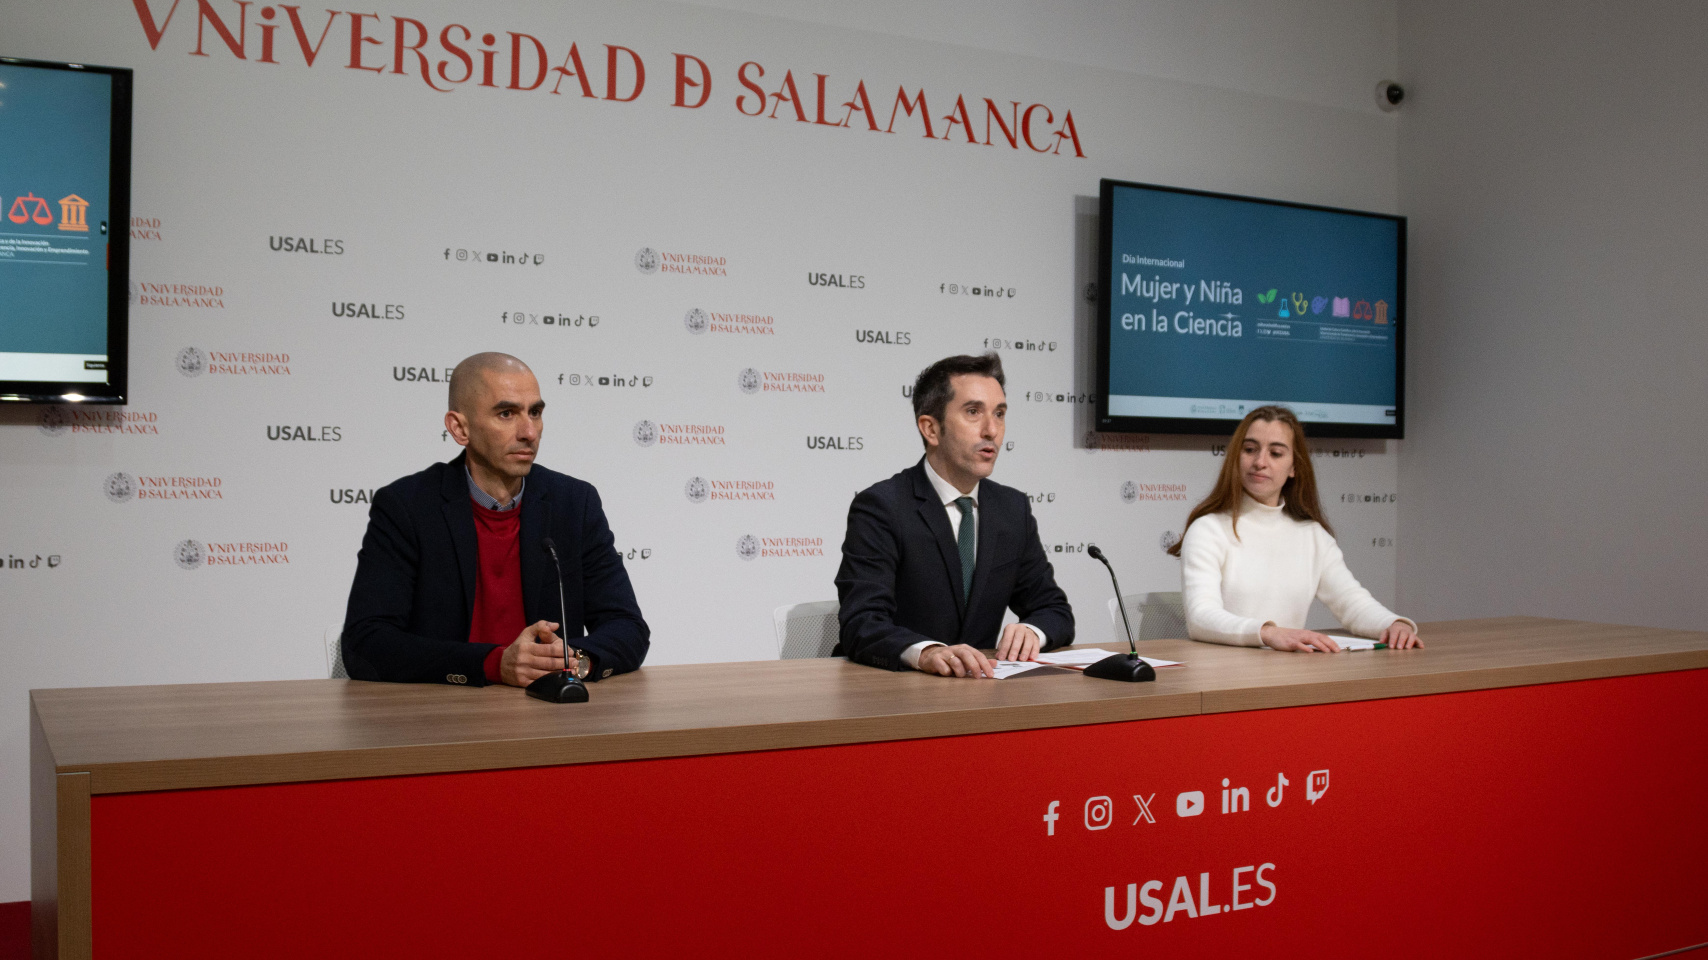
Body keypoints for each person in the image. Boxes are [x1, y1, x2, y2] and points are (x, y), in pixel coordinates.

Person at [341, 352, 649, 686]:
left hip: (553, 713)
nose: (529, 432)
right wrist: (493, 664)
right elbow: (367, 642)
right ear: (460, 428)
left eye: (535, 412)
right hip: (445, 714)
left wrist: (575, 661)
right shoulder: (407, 507)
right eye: (506, 413)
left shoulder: (573, 503)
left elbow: (628, 627)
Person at [834, 353, 1074, 677]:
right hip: (896, 693)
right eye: (973, 412)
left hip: (981, 693)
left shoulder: (1011, 509)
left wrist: (1033, 630)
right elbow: (862, 622)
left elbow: (1054, 610)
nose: (992, 430)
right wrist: (928, 653)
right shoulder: (882, 507)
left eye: (1000, 414)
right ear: (931, 429)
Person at [1169, 405, 1419, 652]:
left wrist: (1394, 624)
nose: (1260, 462)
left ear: (1293, 468)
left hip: (1289, 677)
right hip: (1223, 679)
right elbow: (1201, 618)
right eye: (1249, 449)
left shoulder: (1313, 536)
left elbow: (1352, 603)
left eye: (1276, 453)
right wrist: (1268, 633)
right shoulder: (1208, 529)